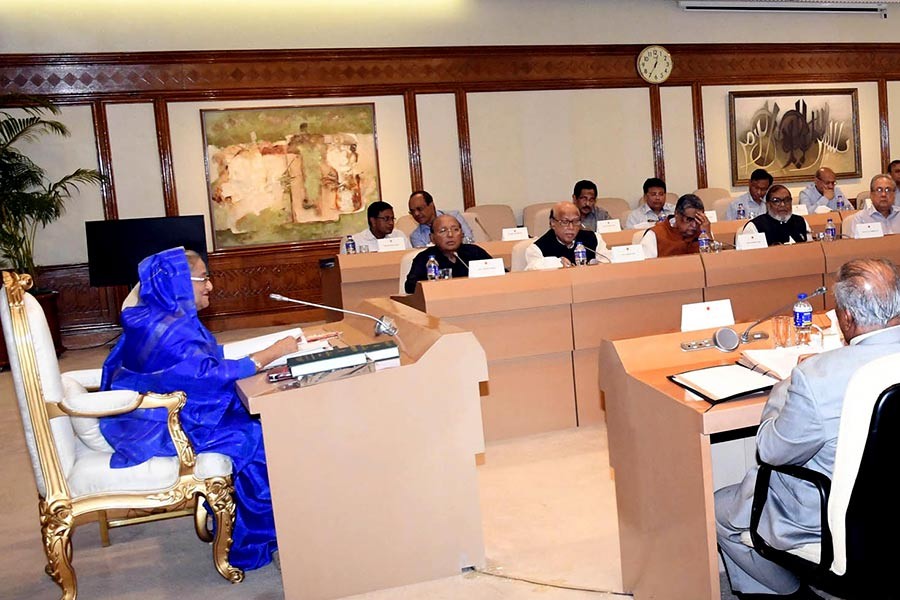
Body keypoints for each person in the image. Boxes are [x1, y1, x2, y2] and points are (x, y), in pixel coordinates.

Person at [99, 248, 299, 571]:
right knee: (255, 435)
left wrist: (265, 355)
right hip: (163, 426)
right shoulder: (168, 332)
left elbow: (206, 360)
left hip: (168, 413)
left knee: (259, 416)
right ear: (178, 282)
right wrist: (271, 353)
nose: (210, 286)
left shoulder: (164, 317)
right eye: (203, 278)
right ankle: (255, 540)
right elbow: (207, 375)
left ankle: (274, 525)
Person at [716, 258, 900, 599]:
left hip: (830, 520)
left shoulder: (815, 377)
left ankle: (794, 594)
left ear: (845, 316)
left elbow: (770, 450)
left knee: (720, 510)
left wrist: (787, 384)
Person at [404, 214, 492, 293]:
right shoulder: (424, 258)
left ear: (462, 234)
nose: (450, 235)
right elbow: (410, 287)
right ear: (432, 238)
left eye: (455, 230)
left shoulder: (475, 252)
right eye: (443, 231)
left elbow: (501, 274)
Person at [524, 201, 611, 270]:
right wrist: (556, 263)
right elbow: (532, 269)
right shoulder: (537, 248)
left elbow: (608, 260)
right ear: (552, 223)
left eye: (576, 221)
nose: (571, 227)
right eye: (565, 222)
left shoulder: (593, 238)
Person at [639, 193, 710, 258]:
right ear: (676, 214)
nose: (694, 225)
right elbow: (645, 267)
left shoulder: (703, 231)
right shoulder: (655, 234)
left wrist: (708, 234)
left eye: (698, 220)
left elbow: (713, 261)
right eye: (689, 219)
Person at [742, 185, 811, 246]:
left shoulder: (800, 221)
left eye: (787, 200)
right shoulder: (755, 226)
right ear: (768, 204)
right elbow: (750, 256)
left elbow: (811, 249)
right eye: (776, 201)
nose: (783, 205)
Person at [407, 190, 474, 247]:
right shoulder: (416, 236)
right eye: (412, 211)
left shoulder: (454, 216)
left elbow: (469, 240)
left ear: (431, 205)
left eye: (420, 209)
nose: (416, 214)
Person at [340, 200, 410, 253]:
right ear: (373, 221)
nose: (391, 223)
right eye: (386, 219)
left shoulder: (399, 236)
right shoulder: (356, 242)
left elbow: (411, 259)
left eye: (392, 219)